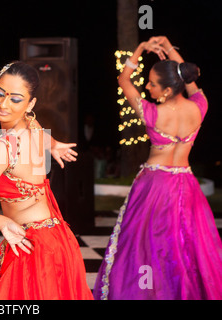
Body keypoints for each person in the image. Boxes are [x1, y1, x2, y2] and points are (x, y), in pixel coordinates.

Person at [93, 36, 222, 300]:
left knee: (146, 247)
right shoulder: (200, 106)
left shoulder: (152, 114)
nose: (148, 88)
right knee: (184, 248)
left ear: (165, 91)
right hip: (186, 185)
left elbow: (124, 80)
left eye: (152, 84)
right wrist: (170, 49)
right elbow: (188, 79)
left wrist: (140, 49)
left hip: (154, 187)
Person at [0, 61, 93, 300]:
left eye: (15, 99)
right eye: (0, 93)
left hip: (32, 248)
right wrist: (53, 145)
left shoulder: (2, 149)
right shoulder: (32, 125)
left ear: (30, 103)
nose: (3, 103)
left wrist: (4, 223)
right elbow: (41, 133)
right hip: (59, 239)